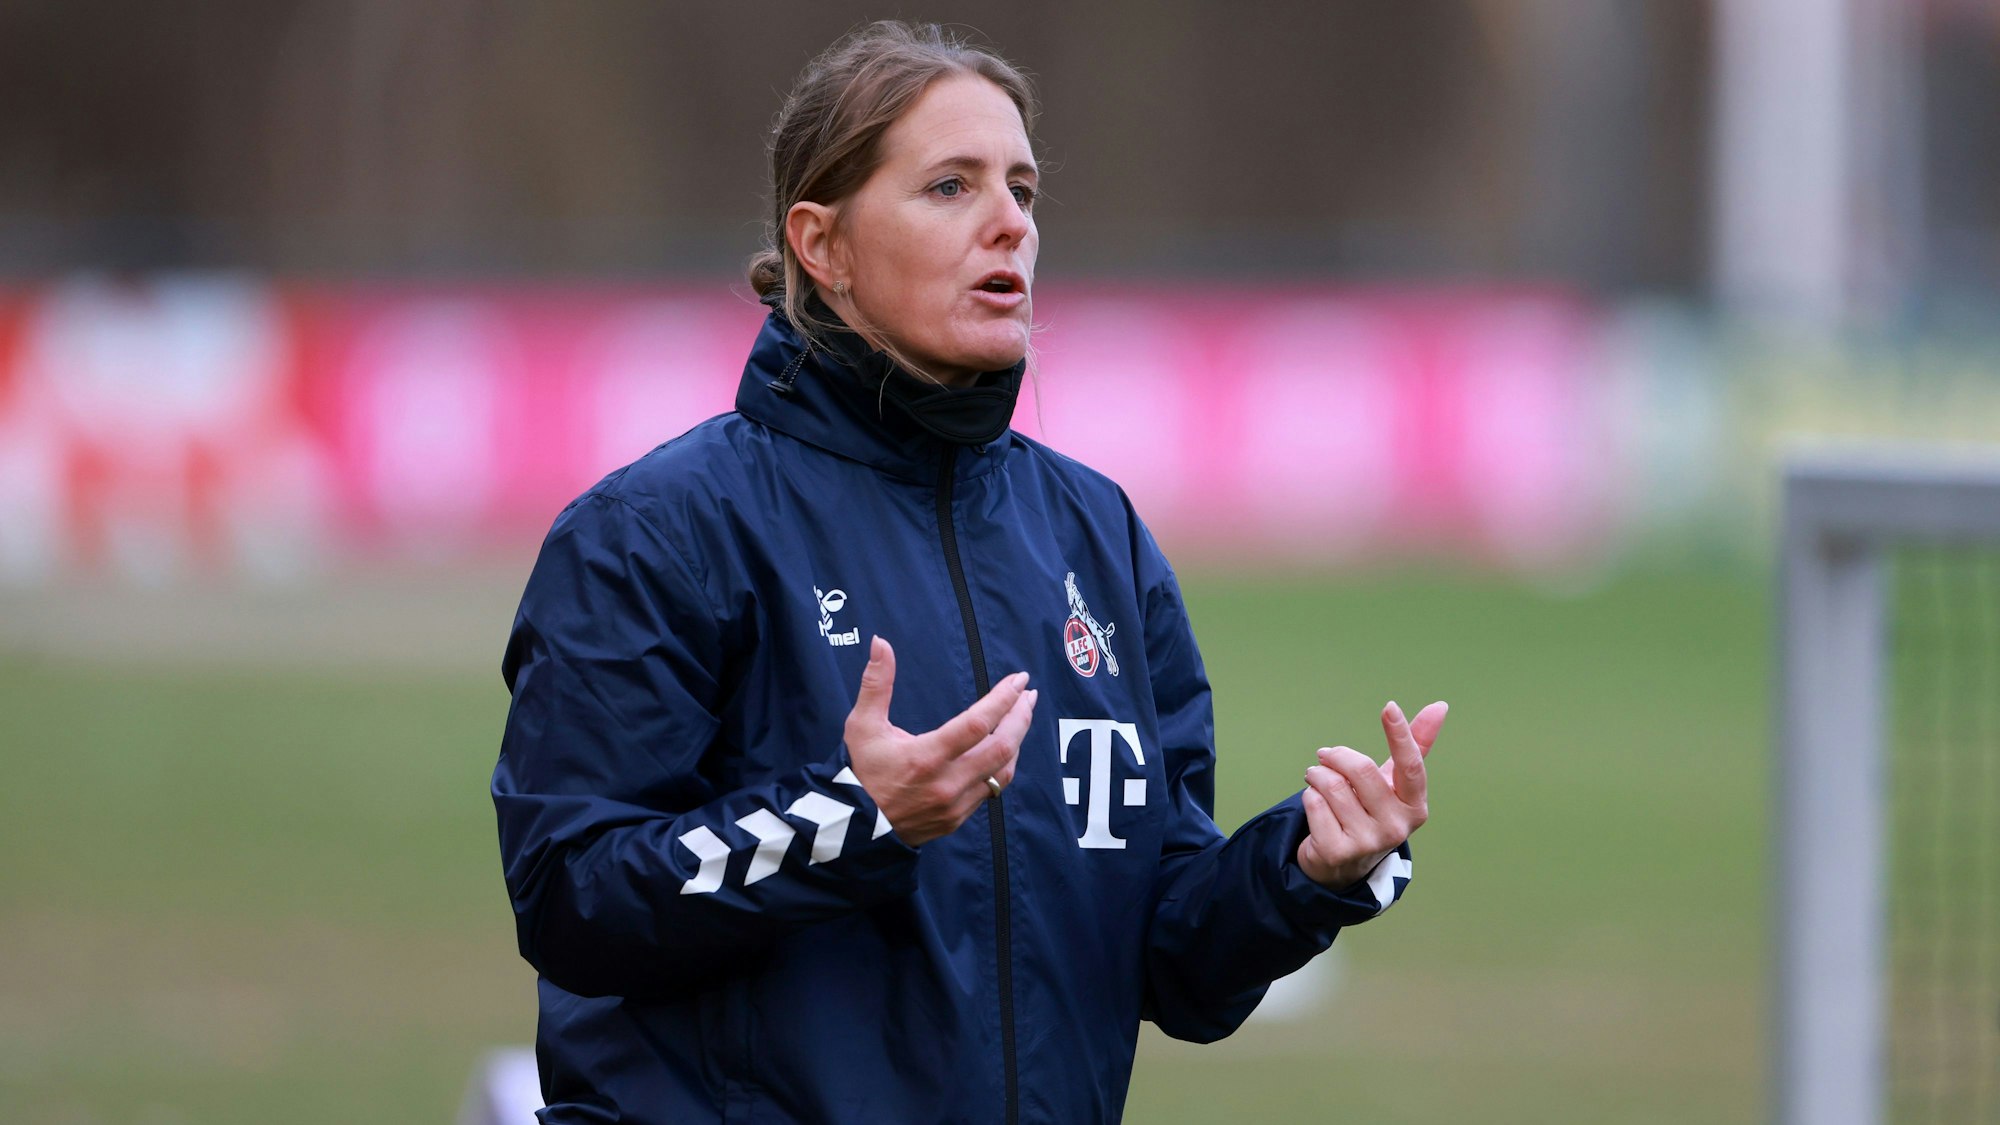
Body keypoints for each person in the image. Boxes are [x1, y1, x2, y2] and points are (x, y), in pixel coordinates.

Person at [492, 20, 1445, 1124]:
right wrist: (853, 820)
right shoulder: (658, 530)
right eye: (950, 187)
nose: (1009, 224)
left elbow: (1166, 963)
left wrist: (1303, 875)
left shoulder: (1097, 537)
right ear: (821, 244)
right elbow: (574, 899)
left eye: (1023, 190)